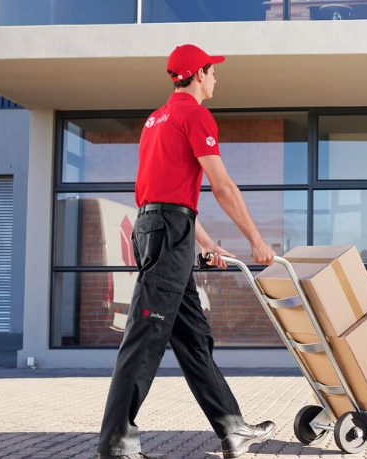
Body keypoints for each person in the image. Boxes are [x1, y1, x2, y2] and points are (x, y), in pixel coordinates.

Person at [96, 44, 278, 459]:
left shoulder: (155, 120)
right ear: (198, 74)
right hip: (168, 233)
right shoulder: (195, 114)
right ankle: (117, 444)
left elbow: (166, 195)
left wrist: (207, 244)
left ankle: (233, 429)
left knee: (194, 338)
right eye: (213, 72)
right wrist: (255, 238)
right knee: (144, 337)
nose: (216, 79)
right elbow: (222, 185)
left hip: (161, 228)